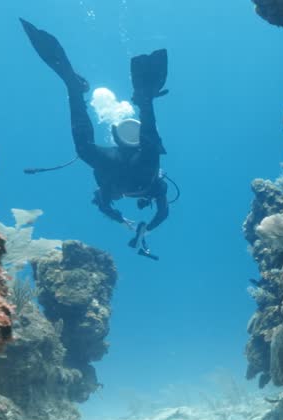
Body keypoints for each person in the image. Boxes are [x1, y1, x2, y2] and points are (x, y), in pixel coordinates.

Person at [20, 18, 170, 259]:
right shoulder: (152, 188)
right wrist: (141, 229)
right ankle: (133, 98)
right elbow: (160, 213)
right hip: (135, 165)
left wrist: (129, 223)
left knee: (142, 148)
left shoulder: (119, 188)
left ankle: (136, 99)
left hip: (123, 160)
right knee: (93, 149)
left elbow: (108, 204)